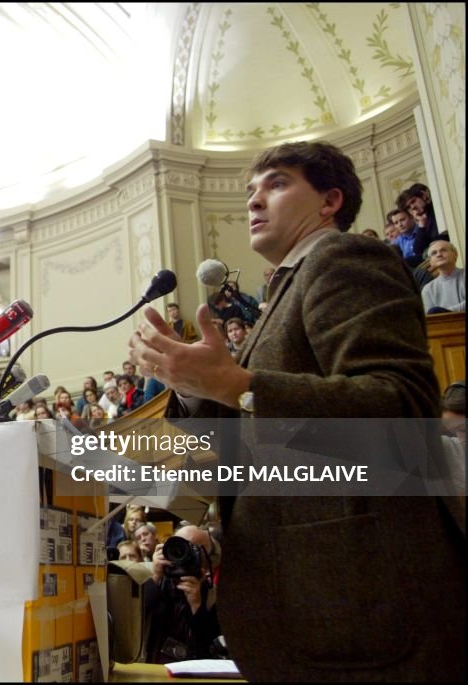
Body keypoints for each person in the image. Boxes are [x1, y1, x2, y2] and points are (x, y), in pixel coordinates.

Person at [127, 141, 464, 681]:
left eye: (277, 183)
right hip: (306, 611)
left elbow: (399, 408)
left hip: (359, 606)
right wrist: (192, 389)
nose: (255, 201)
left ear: (330, 200)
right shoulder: (279, 296)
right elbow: (241, 458)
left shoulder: (344, 256)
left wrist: (238, 385)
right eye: (250, 191)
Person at [144, 525, 222, 664]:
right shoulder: (154, 583)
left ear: (209, 562)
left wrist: (197, 605)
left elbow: (211, 647)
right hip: (153, 668)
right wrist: (155, 577)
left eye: (194, 549)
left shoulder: (215, 597)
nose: (183, 553)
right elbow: (133, 622)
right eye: (179, 545)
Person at [421, 240, 465, 313]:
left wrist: (444, 311)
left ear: (455, 255)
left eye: (443, 250)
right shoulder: (427, 290)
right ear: (431, 262)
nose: (439, 255)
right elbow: (431, 317)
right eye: (434, 253)